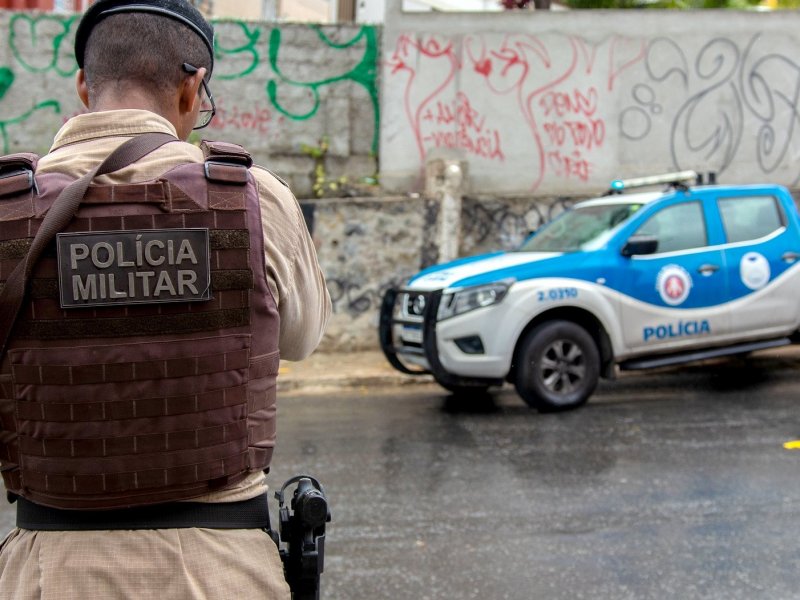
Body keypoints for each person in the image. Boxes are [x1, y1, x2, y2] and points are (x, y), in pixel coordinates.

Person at [0, 1, 331, 598]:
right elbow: (303, 339)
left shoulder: (4, 215)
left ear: (83, 86)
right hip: (221, 570)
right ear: (193, 88)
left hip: (49, 571)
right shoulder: (255, 200)